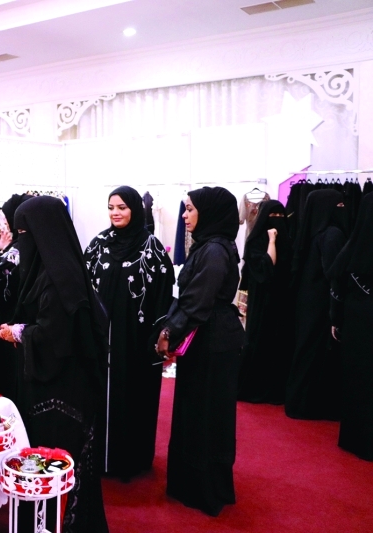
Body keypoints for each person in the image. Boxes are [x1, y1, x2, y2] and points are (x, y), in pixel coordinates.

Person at [0, 195, 109, 532]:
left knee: (59, 464)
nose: (21, 243)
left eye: (24, 234)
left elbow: (55, 337)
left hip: (64, 392)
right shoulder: (51, 271)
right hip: (55, 388)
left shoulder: (61, 280)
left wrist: (18, 332)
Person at [155, 186, 244, 517]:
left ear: (209, 213)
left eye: (190, 209)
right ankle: (196, 484)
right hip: (209, 336)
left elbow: (197, 301)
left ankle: (203, 489)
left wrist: (169, 332)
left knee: (205, 414)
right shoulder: (210, 245)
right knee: (199, 412)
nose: (184, 215)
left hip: (213, 340)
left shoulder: (214, 250)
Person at [84, 186, 174, 480]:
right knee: (99, 397)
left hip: (135, 342)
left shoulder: (152, 249)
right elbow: (84, 289)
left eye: (122, 207)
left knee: (133, 398)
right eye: (111, 207)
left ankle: (129, 460)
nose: (115, 213)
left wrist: (158, 335)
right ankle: (99, 458)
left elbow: (162, 297)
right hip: (101, 341)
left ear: (135, 209)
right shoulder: (98, 245)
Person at [286, 189, 347, 421]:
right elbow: (334, 273)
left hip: (307, 302)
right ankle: (309, 404)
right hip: (322, 303)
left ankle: (299, 401)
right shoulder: (332, 234)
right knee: (317, 352)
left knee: (305, 350)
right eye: (339, 205)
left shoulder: (312, 233)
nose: (343, 209)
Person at [237, 200, 295, 404]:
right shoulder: (256, 242)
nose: (277, 221)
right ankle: (254, 387)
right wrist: (271, 241)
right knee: (259, 340)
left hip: (283, 302)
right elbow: (266, 268)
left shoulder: (288, 240)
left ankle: (276, 390)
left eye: (280, 217)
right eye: (272, 216)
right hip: (262, 302)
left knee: (279, 344)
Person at [330, 193, 373, 461]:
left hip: (358, 320)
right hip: (358, 319)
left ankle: (356, 437)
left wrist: (336, 319)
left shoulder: (354, 246)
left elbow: (337, 281)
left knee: (359, 378)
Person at [0, 193, 34, 398]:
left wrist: (2, 253)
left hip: (13, 323)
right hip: (28, 326)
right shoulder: (43, 245)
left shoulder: (18, 250)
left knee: (11, 380)